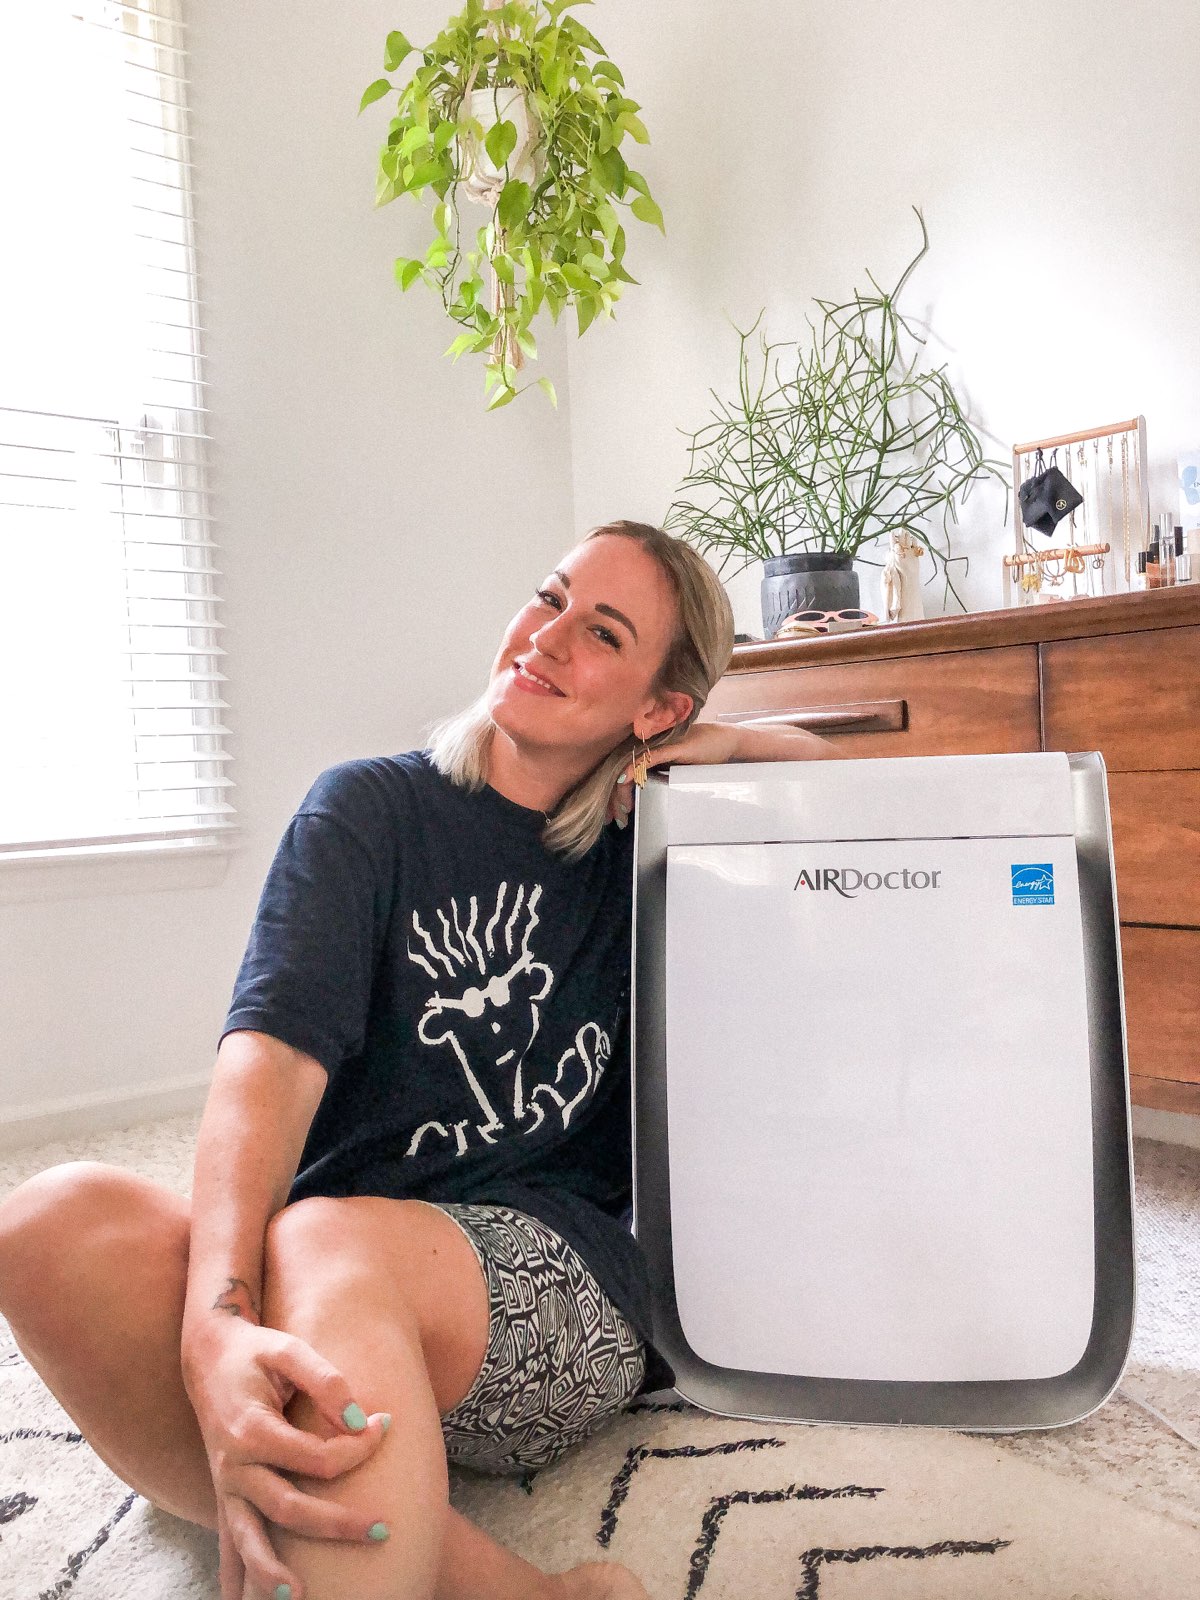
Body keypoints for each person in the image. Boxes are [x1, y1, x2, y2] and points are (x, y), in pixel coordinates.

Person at [0, 521, 835, 1600]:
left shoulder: (657, 847)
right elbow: (263, 1074)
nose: (546, 637)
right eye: (549, 597)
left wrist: (738, 746)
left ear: (657, 707)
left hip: (553, 1288)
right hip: (330, 1291)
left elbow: (906, 803)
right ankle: (504, 1585)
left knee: (324, 1235)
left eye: (602, 632)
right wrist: (215, 1320)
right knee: (49, 1222)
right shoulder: (365, 810)